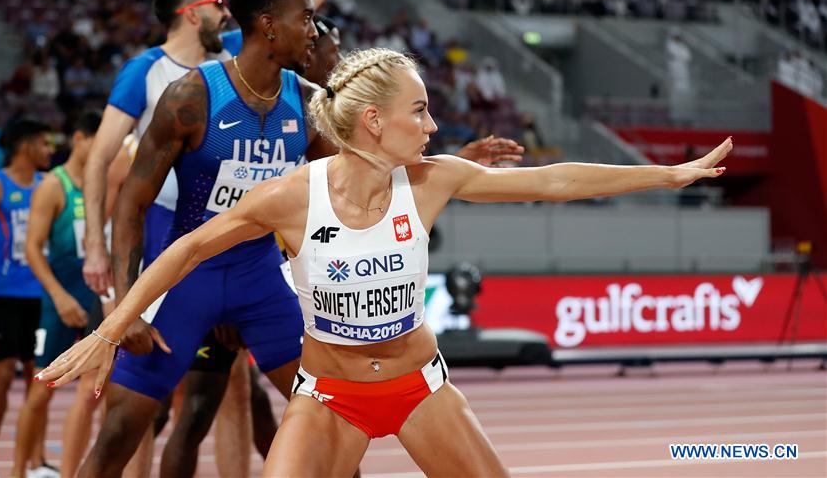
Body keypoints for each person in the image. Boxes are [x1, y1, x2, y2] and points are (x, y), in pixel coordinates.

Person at [38, 47, 732, 476]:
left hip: (419, 390)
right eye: (420, 111)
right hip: (330, 399)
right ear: (374, 121)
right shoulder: (290, 195)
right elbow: (187, 248)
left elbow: (553, 181)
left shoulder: (430, 181)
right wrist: (108, 329)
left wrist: (667, 177)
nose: (432, 127)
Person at [78, 0, 388, 476]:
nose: (314, 31)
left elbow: (353, 182)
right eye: (306, 19)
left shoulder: (305, 103)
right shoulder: (189, 97)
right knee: (121, 431)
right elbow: (131, 203)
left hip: (260, 284)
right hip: (185, 280)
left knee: (331, 427)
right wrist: (127, 306)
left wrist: (446, 165)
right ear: (268, 26)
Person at [12, 111, 103, 478]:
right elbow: (33, 248)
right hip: (58, 302)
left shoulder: (103, 182)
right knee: (41, 389)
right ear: (80, 140)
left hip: (97, 298)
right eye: (99, 143)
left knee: (96, 393)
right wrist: (60, 297)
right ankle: (19, 470)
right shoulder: (54, 184)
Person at [0, 118, 55, 478]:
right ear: (25, 146)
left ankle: (36, 460)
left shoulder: (49, 186)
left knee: (40, 376)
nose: (50, 151)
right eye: (44, 144)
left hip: (42, 295)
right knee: (3, 373)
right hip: (4, 295)